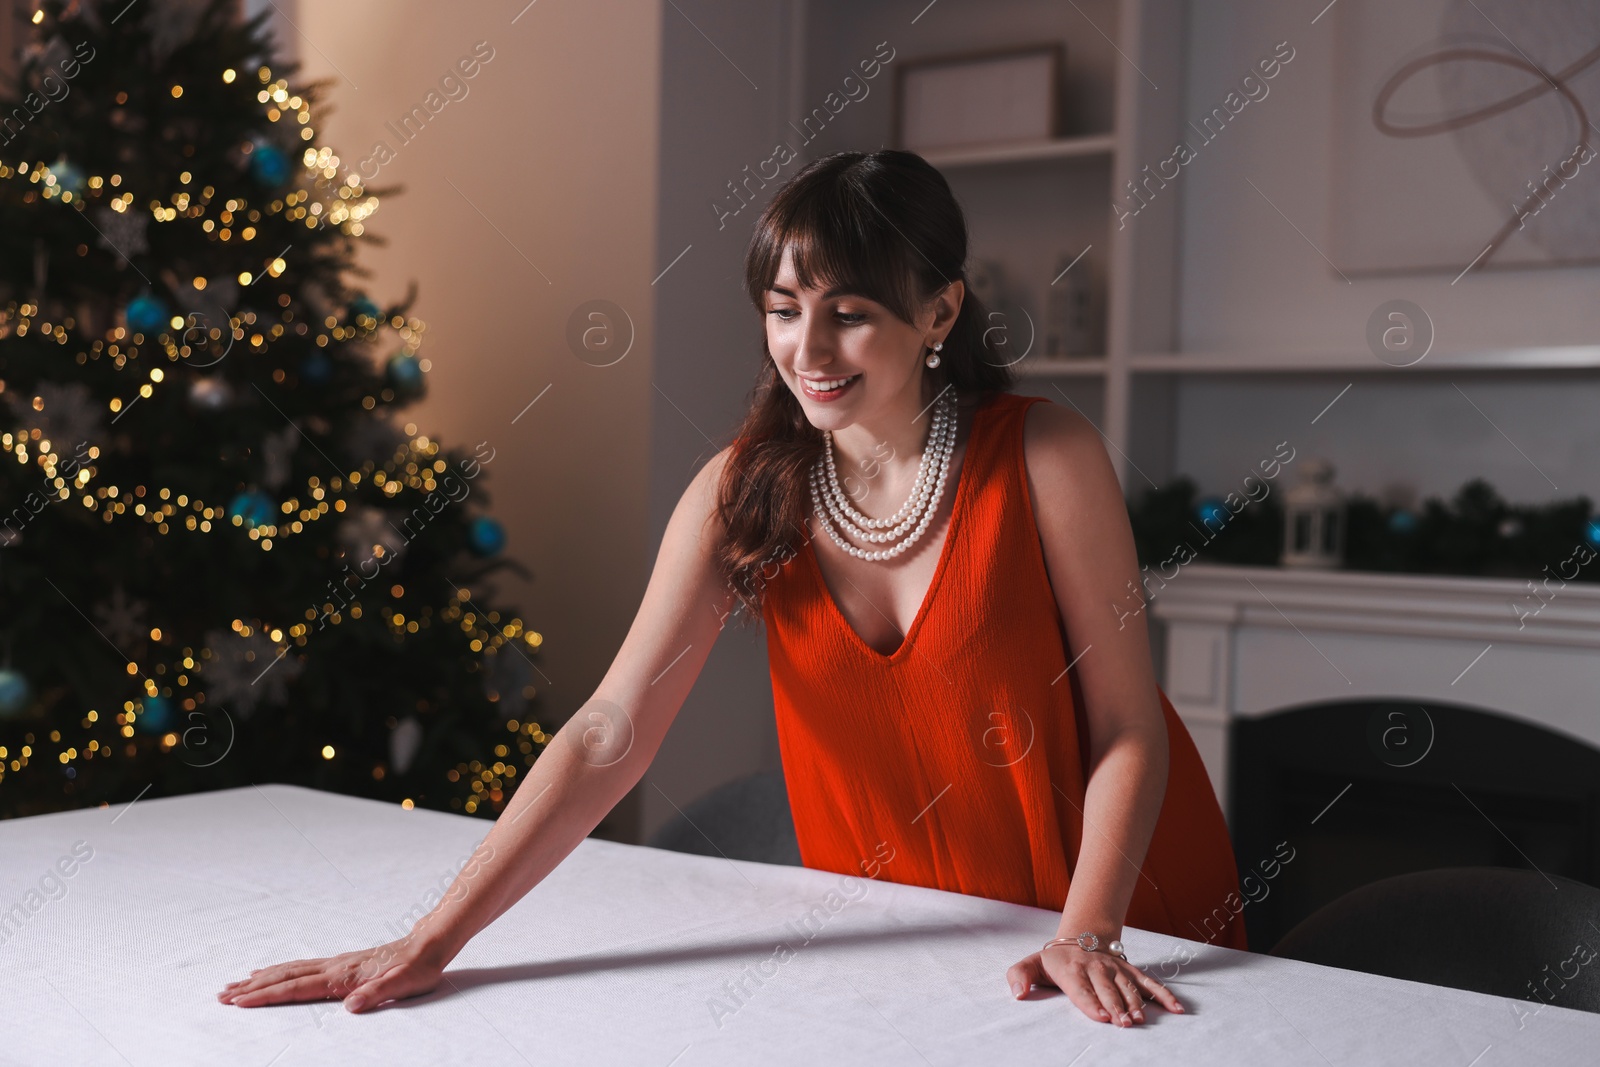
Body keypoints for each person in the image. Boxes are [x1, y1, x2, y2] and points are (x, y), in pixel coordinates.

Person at [218, 149, 1248, 1027]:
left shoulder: (1046, 453)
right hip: (898, 935)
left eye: (847, 313)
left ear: (938, 309)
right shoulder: (743, 491)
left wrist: (1086, 929)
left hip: (1108, 917)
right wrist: (431, 938)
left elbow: (1125, 724)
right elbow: (611, 728)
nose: (807, 348)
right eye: (783, 309)